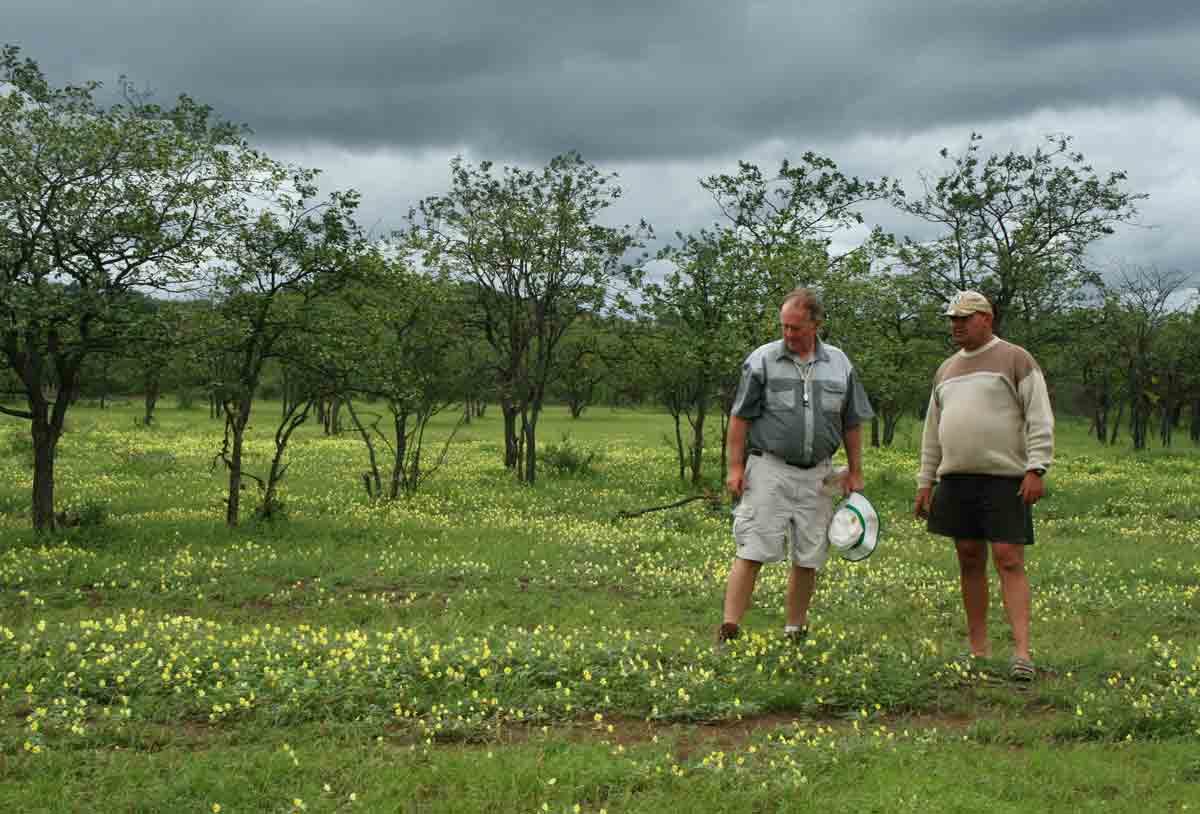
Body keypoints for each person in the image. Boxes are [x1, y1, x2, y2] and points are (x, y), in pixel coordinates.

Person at [717, 288, 873, 643]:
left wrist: (855, 469)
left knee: (810, 553)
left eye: (796, 328)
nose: (788, 334)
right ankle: (730, 628)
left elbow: (852, 421)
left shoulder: (840, 364)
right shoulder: (762, 360)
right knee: (753, 546)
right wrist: (735, 467)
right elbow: (740, 417)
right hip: (769, 467)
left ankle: (795, 630)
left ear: (816, 325)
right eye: (784, 327)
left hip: (819, 473)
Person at [913, 290, 1054, 681]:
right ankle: (979, 651)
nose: (956, 325)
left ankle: (1022, 653)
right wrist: (926, 482)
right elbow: (932, 432)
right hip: (956, 478)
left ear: (986, 319)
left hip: (1005, 477)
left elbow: (1039, 415)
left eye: (964, 318)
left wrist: (1036, 468)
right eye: (952, 319)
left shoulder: (1015, 358)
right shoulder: (945, 370)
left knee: (1009, 558)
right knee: (969, 557)